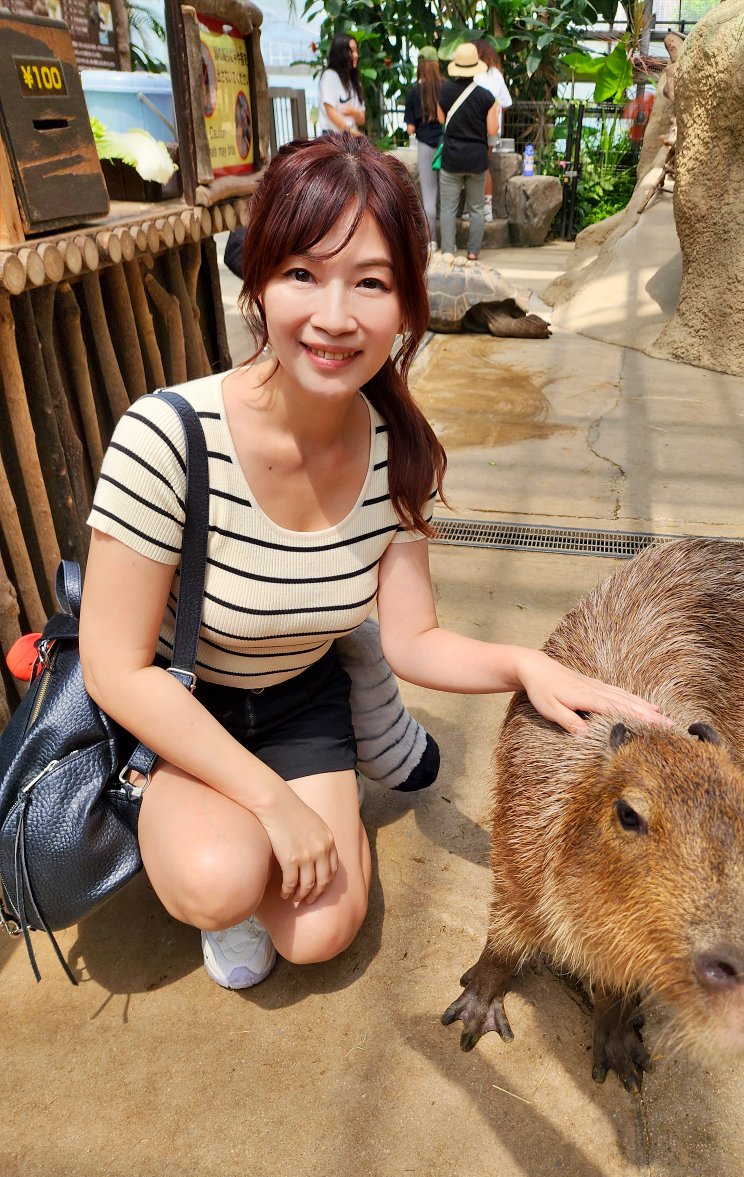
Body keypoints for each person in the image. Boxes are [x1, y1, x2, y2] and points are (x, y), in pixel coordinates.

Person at [79, 135, 669, 993]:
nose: (334, 316)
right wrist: (273, 804)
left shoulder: (398, 447)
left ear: (406, 305)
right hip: (183, 701)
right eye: (302, 275)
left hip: (302, 698)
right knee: (220, 882)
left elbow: (412, 637)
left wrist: (525, 666)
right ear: (259, 286)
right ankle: (223, 848)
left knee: (320, 934)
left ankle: (289, 821)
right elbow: (113, 664)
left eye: (371, 282)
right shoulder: (167, 437)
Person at [437, 42, 497, 262]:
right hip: (476, 159)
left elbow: (440, 120)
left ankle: (448, 252)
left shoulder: (444, 91)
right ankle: (473, 251)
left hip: (451, 158)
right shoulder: (486, 96)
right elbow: (492, 130)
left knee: (448, 209)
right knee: (477, 209)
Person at [403, 46, 443, 248]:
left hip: (425, 146)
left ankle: (431, 241)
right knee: (448, 196)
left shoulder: (413, 92)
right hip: (446, 147)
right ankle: (449, 242)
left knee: (429, 195)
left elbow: (410, 129)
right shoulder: (446, 88)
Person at [473, 39, 512, 224]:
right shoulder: (495, 74)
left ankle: (476, 209)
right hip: (492, 130)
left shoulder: (474, 74)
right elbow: (506, 103)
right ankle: (486, 209)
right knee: (484, 166)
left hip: (472, 128)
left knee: (474, 169)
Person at [319, 33, 365, 135]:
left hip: (349, 139)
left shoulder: (354, 81)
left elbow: (362, 119)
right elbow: (330, 111)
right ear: (341, 53)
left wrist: (354, 112)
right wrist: (352, 133)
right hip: (333, 138)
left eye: (356, 50)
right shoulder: (330, 75)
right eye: (352, 51)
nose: (356, 55)